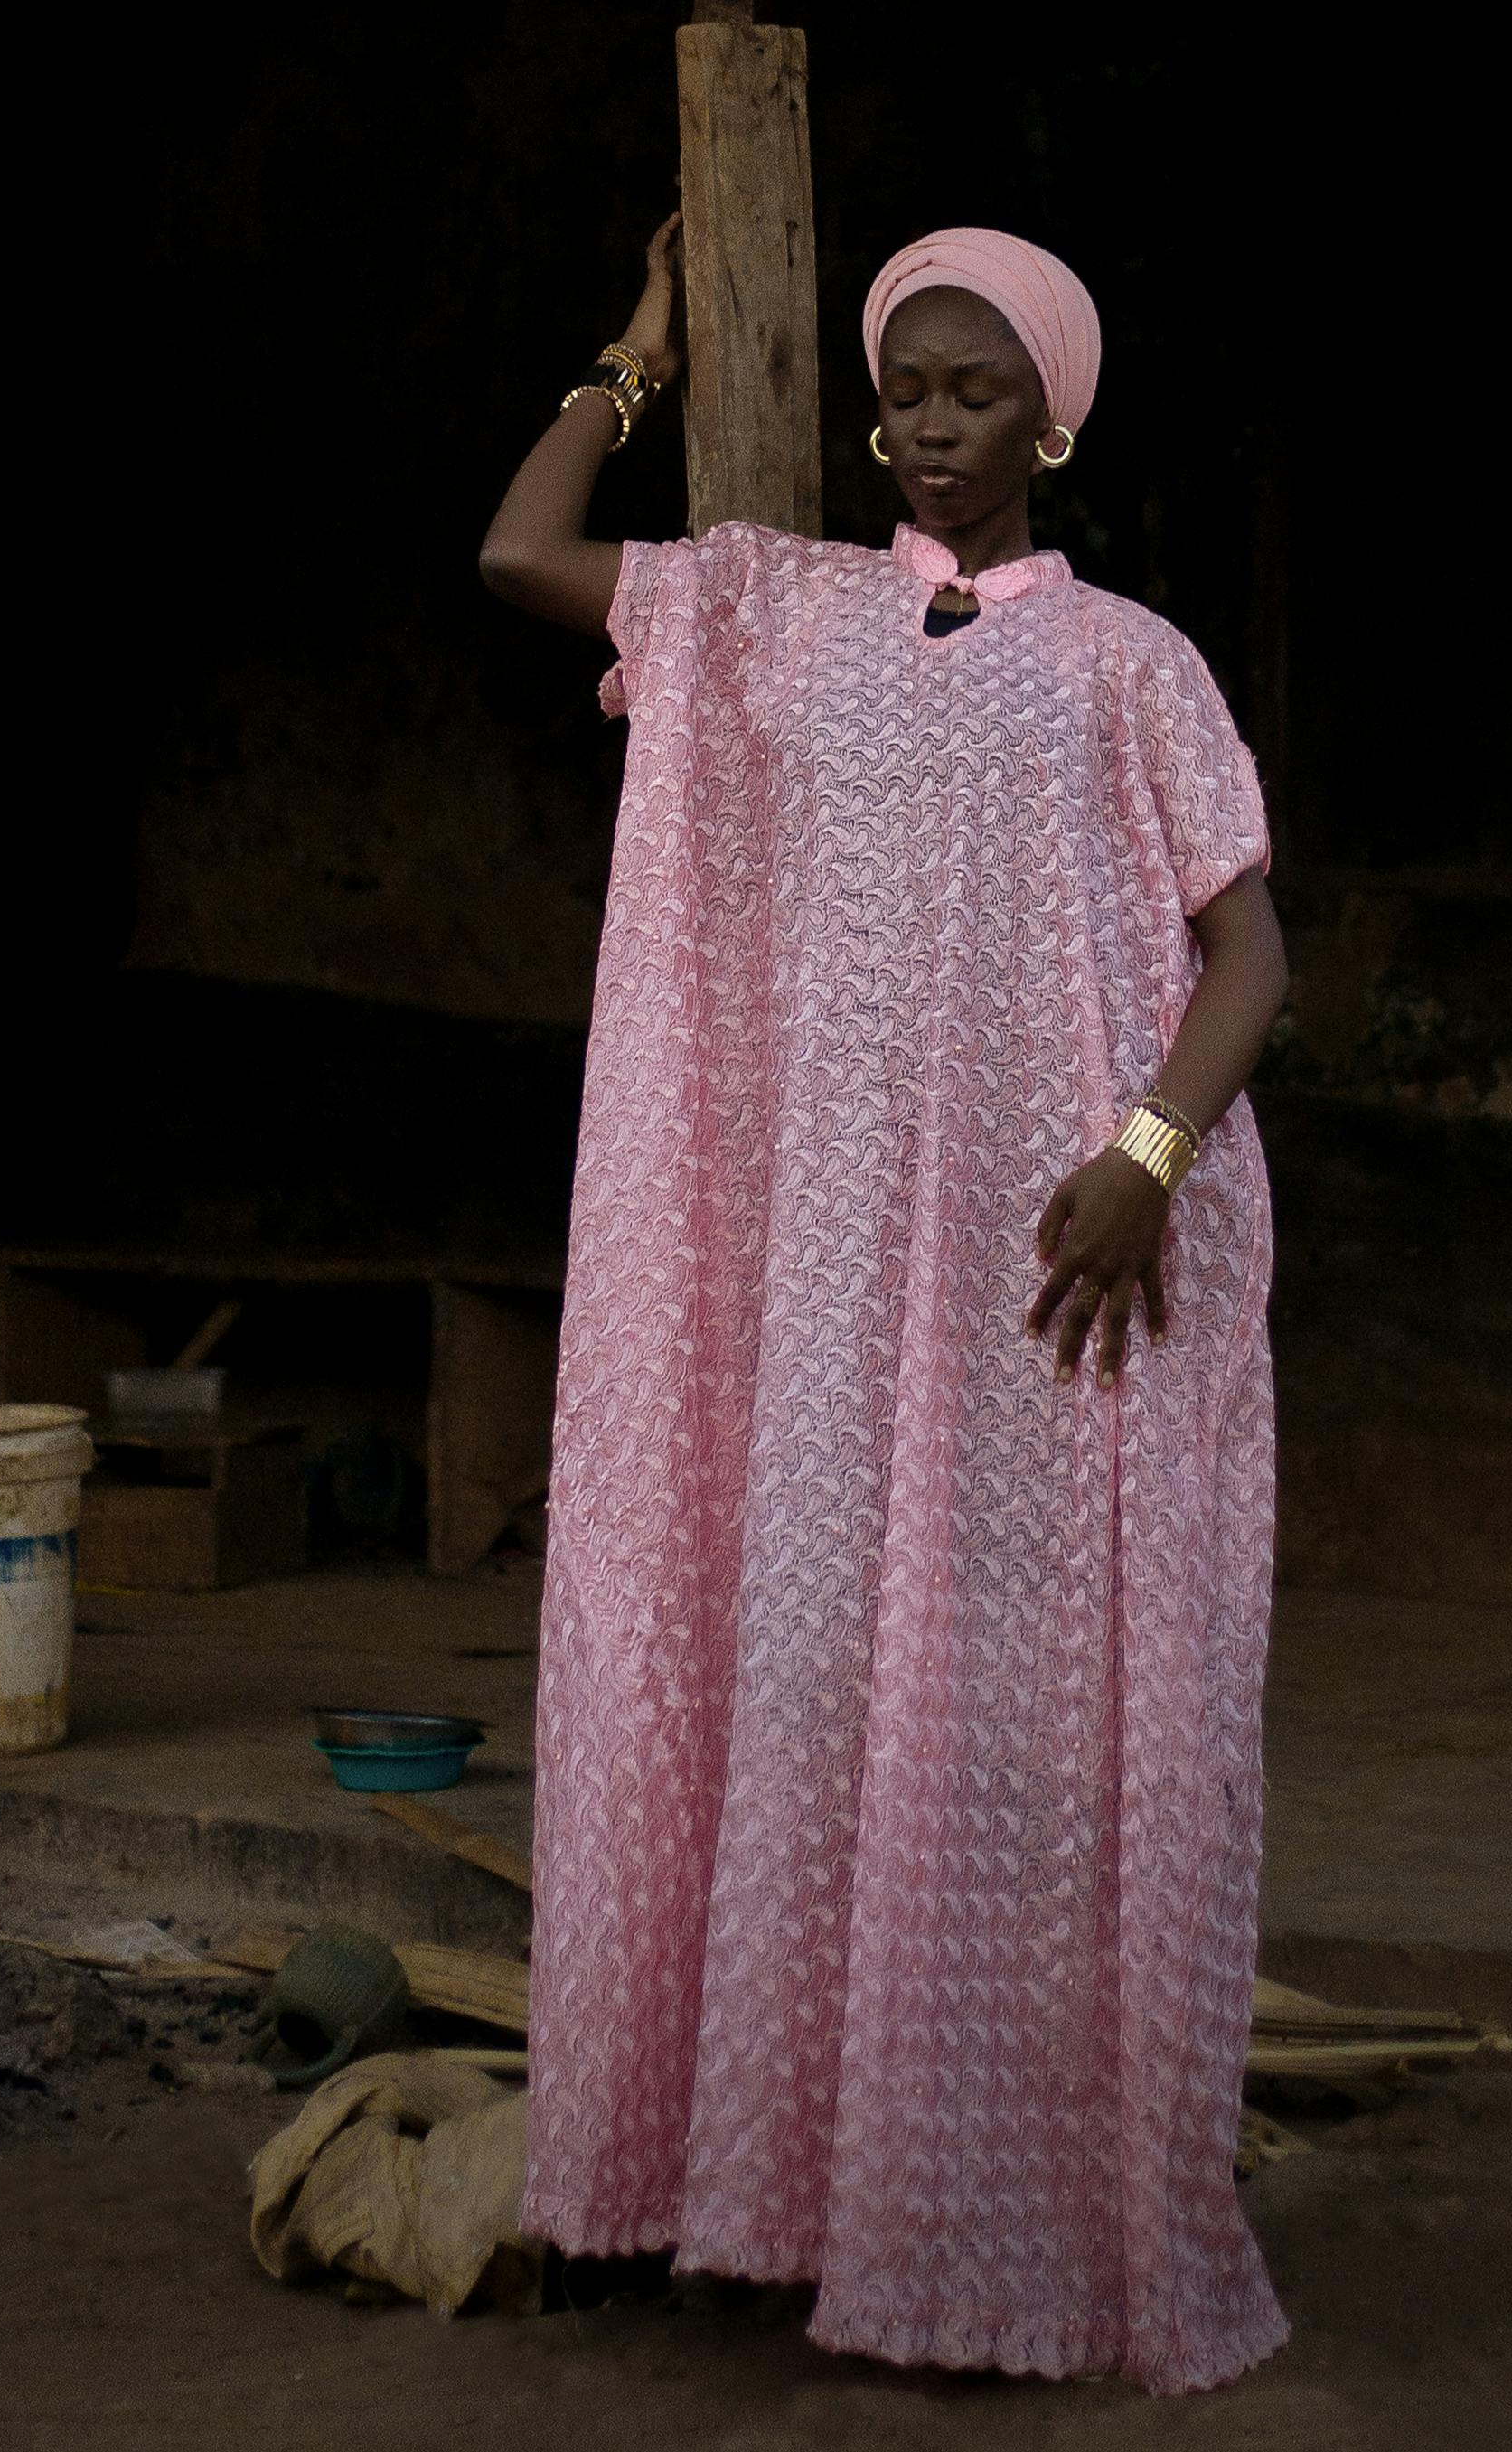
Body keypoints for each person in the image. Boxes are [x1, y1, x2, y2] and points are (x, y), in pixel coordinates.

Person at [479, 216, 1291, 2391]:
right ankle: (759, 2196)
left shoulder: (1135, 663)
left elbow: (1251, 956)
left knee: (1010, 1727)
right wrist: (631, 355)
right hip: (825, 1276)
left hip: (1048, 1272)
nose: (933, 425)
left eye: (974, 390)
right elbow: (516, 549)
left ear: (1053, 415)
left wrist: (1142, 1156)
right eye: (905, 390)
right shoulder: (778, 612)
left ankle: (1005, 2223)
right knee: (817, 1686)